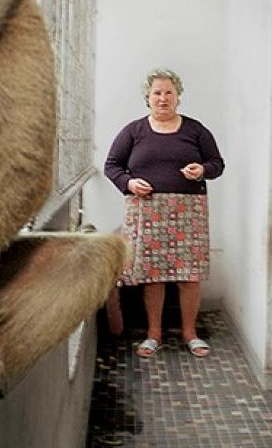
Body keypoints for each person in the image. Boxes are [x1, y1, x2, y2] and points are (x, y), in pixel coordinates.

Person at [105, 68, 224, 358]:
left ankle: (190, 333)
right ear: (148, 97)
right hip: (147, 212)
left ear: (178, 97)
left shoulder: (195, 130)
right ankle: (154, 334)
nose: (162, 98)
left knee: (189, 275)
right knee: (153, 275)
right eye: (157, 92)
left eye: (168, 92)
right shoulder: (134, 131)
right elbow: (112, 165)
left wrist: (202, 170)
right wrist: (130, 183)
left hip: (188, 212)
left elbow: (217, 163)